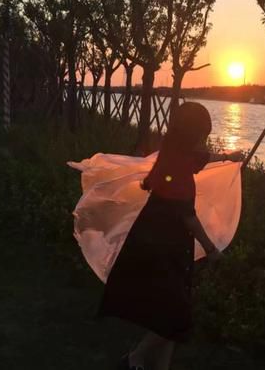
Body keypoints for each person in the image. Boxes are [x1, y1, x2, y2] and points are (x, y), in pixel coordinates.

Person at [96, 102, 243, 370]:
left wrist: (228, 156)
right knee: (177, 316)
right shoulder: (178, 166)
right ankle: (135, 359)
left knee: (169, 313)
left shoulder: (174, 152)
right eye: (202, 134)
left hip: (161, 241)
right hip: (162, 246)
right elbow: (188, 216)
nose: (204, 140)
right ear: (191, 134)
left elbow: (200, 159)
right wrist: (212, 250)